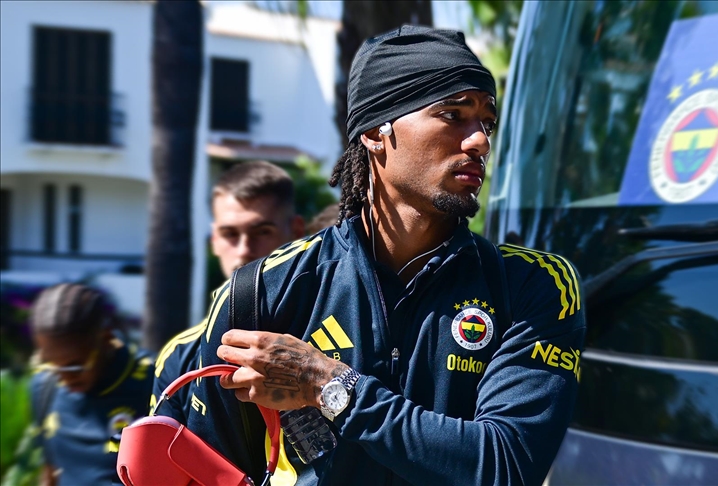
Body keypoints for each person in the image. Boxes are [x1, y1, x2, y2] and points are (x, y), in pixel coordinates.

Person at [177, 25, 586, 485]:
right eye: (453, 114)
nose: (480, 141)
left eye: (486, 123)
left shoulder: (532, 284)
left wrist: (327, 384)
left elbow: (505, 466)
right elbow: (214, 474)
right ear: (375, 131)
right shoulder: (259, 291)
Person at [150, 160, 305, 420]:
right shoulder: (180, 356)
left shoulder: (329, 326)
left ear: (297, 232)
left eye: (262, 231)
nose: (244, 250)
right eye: (230, 234)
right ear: (214, 241)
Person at [29, 283, 153, 486]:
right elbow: (51, 473)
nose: (64, 378)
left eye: (75, 366)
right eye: (52, 364)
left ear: (106, 338)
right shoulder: (45, 386)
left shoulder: (154, 382)